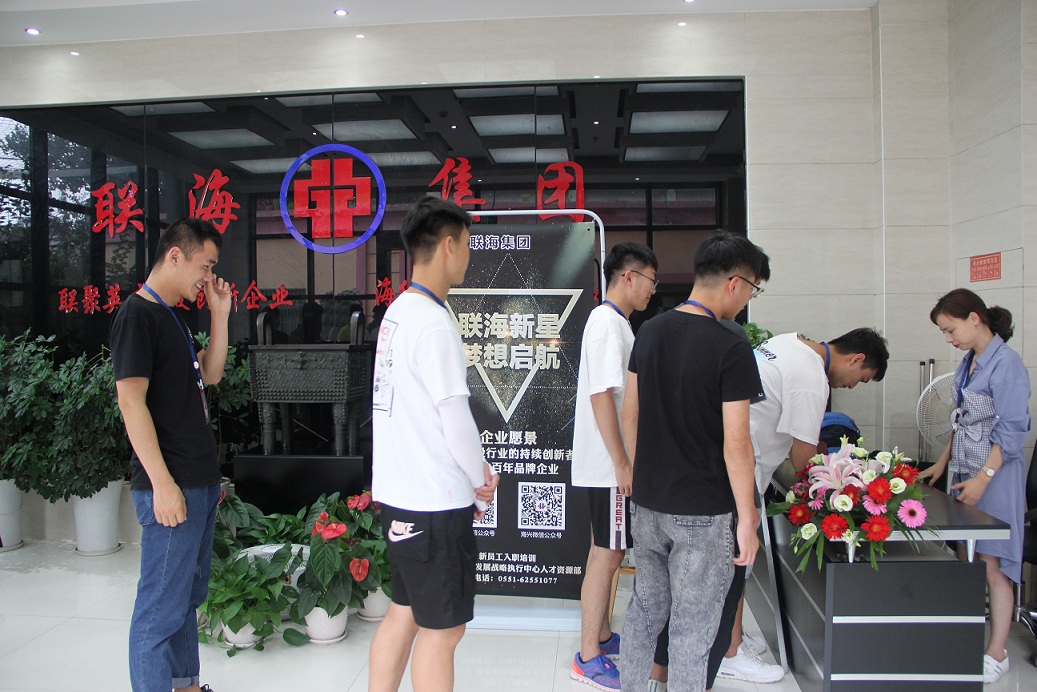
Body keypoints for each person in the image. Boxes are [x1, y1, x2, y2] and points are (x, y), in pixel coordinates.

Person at [620, 231, 769, 692]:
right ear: (735, 283)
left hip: (648, 504)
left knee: (644, 612)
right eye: (752, 289)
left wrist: (638, 475)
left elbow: (630, 412)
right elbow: (737, 443)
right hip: (704, 511)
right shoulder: (731, 345)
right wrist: (748, 517)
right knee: (693, 625)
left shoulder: (650, 330)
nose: (747, 300)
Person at [368, 197, 500, 692]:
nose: (468, 255)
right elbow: (455, 418)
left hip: (400, 497)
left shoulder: (399, 312)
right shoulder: (434, 322)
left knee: (403, 612)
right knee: (443, 632)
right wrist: (480, 477)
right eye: (466, 244)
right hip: (434, 504)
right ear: (448, 246)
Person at [715, 327, 889, 685]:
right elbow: (803, 458)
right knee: (739, 558)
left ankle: (731, 637)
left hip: (727, 458)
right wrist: (839, 482)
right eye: (861, 378)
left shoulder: (786, 342)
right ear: (856, 359)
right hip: (738, 469)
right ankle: (730, 653)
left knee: (735, 556)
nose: (851, 387)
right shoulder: (812, 379)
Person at [111, 217, 232, 692]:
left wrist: (220, 315)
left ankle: (185, 686)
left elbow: (211, 374)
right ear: (176, 255)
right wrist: (162, 484)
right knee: (158, 611)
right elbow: (130, 401)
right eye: (206, 265)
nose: (208, 277)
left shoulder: (172, 316)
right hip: (172, 486)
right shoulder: (137, 316)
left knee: (185, 600)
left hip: (196, 481)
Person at [919, 288, 1030, 685]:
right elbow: (962, 419)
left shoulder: (1007, 364)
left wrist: (985, 478)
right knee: (968, 558)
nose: (949, 339)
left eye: (951, 329)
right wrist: (941, 463)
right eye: (944, 333)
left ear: (975, 318)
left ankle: (997, 652)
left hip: (995, 476)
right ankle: (966, 639)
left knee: (992, 563)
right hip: (965, 468)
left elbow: (1012, 431)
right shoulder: (970, 362)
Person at [569, 242, 658, 691]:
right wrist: (622, 463)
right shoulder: (607, 323)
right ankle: (588, 656)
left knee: (606, 551)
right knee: (607, 554)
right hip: (609, 466)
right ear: (629, 276)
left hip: (608, 463)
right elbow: (602, 395)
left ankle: (601, 635)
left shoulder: (614, 322)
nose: (653, 290)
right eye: (651, 281)